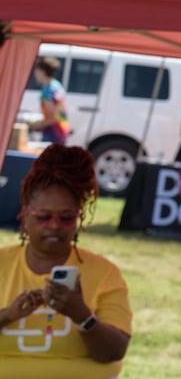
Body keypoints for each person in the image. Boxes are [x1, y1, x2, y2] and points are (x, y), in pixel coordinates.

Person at [0, 145, 132, 377]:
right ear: (25, 214)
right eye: (43, 217)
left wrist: (81, 315)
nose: (54, 225)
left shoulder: (103, 274)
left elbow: (114, 351)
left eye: (66, 218)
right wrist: (7, 316)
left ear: (79, 217)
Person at [28, 58, 70, 145]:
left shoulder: (47, 91)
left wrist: (33, 126)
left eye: (36, 70)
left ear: (42, 71)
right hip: (61, 131)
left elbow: (53, 118)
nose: (35, 74)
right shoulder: (56, 85)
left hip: (53, 134)